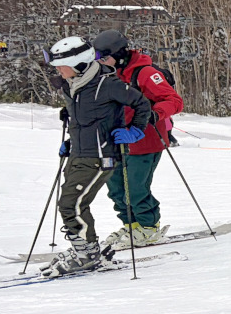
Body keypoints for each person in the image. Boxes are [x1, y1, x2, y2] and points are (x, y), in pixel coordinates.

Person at [42, 36, 158, 278]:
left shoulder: (107, 84)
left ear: (79, 63)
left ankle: (86, 254)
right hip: (79, 153)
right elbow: (88, 121)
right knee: (72, 202)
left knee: (71, 204)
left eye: (61, 66)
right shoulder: (72, 85)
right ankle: (87, 248)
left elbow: (142, 104)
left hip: (100, 156)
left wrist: (135, 130)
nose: (58, 71)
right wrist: (71, 142)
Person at [91, 29, 184, 250]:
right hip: (116, 140)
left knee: (135, 188)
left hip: (145, 141)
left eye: (104, 57)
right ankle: (132, 225)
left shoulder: (145, 73)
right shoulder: (107, 74)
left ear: (119, 54)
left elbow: (174, 100)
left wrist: (154, 114)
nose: (100, 62)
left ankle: (149, 227)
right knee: (116, 188)